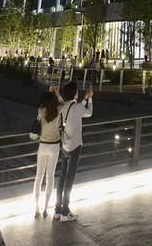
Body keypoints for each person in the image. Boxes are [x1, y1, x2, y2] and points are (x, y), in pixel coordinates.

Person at [53, 82, 93, 222]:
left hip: (64, 146)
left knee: (62, 177)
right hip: (75, 147)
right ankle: (65, 212)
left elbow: (74, 107)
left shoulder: (63, 106)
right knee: (69, 180)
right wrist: (90, 98)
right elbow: (89, 112)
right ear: (75, 93)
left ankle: (57, 211)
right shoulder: (77, 107)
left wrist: (84, 98)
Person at [32, 90, 61, 217]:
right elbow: (63, 103)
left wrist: (50, 93)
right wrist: (57, 93)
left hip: (43, 145)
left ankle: (36, 208)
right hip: (54, 146)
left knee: (38, 177)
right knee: (50, 177)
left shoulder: (41, 110)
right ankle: (45, 209)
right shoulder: (58, 110)